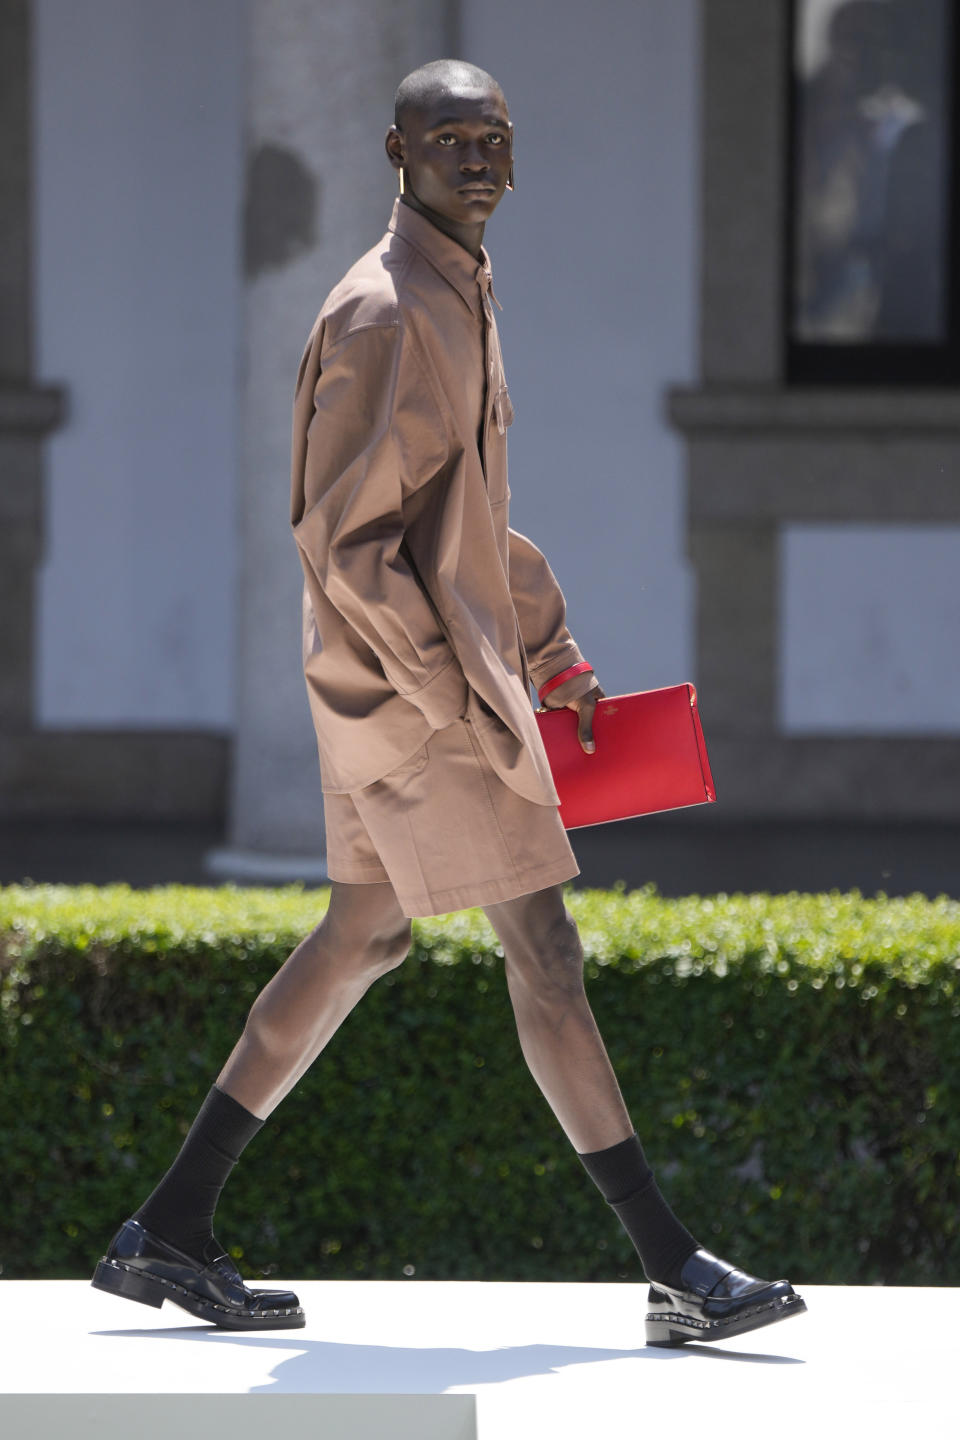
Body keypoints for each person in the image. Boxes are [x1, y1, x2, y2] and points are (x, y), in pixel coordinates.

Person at [92, 59, 806, 1347]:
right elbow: (347, 542)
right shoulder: (383, 313)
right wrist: (463, 701)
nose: (476, 158)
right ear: (395, 149)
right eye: (449, 138)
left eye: (494, 137)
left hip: (402, 689)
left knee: (365, 936)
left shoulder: (457, 292)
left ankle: (169, 1228)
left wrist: (551, 650)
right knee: (545, 953)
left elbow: (467, 522)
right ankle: (676, 1270)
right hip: (417, 698)